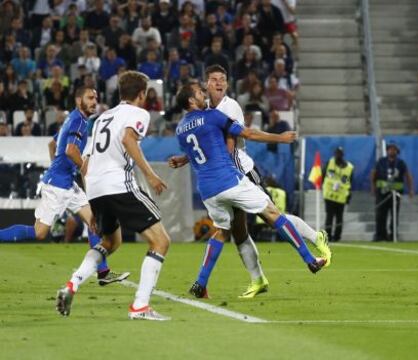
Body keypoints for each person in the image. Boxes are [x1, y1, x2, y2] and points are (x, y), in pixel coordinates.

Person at [171, 65, 330, 299]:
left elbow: (203, 147)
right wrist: (281, 138)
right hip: (231, 178)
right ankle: (308, 259)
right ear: (193, 99)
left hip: (209, 188)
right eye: (204, 86)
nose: (210, 88)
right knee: (272, 214)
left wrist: (184, 158)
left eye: (221, 79)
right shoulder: (212, 114)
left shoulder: (183, 127)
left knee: (225, 231)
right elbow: (247, 135)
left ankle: (202, 282)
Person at [55, 72, 172, 321]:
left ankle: (72, 285)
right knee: (160, 241)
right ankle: (140, 306)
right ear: (142, 95)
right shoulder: (138, 113)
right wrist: (150, 175)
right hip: (119, 184)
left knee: (110, 242)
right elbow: (128, 139)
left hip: (96, 187)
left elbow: (86, 160)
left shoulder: (100, 118)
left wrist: (92, 202)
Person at [0, 86, 129, 285]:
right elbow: (70, 151)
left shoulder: (73, 119)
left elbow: (52, 145)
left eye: (96, 97)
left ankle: (103, 273)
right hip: (58, 186)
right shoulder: (78, 121)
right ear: (79, 100)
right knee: (39, 232)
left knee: (94, 224)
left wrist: (59, 167)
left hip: (67, 183)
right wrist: (85, 168)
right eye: (89, 98)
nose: (94, 101)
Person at [371, 143, 414, 241]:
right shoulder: (381, 162)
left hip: (395, 193)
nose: (392, 151)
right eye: (390, 149)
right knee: (380, 214)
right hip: (382, 193)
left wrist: (411, 189)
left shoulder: (401, 163)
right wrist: (373, 187)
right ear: (387, 151)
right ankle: (380, 235)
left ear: (397, 151)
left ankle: (393, 234)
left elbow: (408, 175)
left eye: (394, 150)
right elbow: (373, 174)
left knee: (394, 215)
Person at [322, 147, 354, 242]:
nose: (338, 156)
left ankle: (337, 237)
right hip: (329, 195)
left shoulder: (349, 167)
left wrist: (349, 195)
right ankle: (328, 236)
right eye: (336, 153)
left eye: (339, 154)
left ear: (342, 155)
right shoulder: (330, 163)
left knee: (339, 217)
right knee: (329, 216)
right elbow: (323, 174)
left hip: (341, 196)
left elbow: (350, 182)